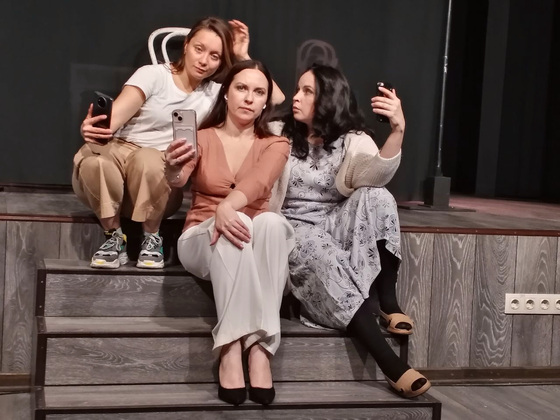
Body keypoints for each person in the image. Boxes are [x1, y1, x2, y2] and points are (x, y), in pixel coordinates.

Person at [269, 64, 431, 398]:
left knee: (378, 196)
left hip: (335, 222)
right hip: (291, 228)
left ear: (328, 98)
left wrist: (397, 130)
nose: (296, 97)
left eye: (307, 91)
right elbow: (264, 95)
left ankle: (387, 300)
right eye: (297, 89)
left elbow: (375, 176)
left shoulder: (353, 139)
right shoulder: (277, 131)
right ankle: (390, 364)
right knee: (316, 246)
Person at [72, 17, 285, 269]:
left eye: (215, 56)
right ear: (186, 46)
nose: (204, 61)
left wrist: (242, 55)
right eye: (199, 49)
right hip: (120, 157)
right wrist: (92, 128)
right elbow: (112, 121)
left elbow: (275, 98)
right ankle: (114, 237)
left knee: (150, 161)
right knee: (95, 160)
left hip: (157, 171)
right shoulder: (154, 75)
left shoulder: (214, 93)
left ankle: (152, 238)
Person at [164, 60, 294, 406]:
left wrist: (228, 207)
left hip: (250, 235)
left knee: (272, 223)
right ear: (226, 93)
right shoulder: (202, 136)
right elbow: (178, 179)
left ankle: (261, 348)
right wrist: (173, 167)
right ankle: (231, 347)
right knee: (240, 224)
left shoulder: (277, 143)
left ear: (266, 101)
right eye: (241, 88)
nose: (249, 98)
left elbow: (260, 183)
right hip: (200, 237)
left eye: (259, 92)